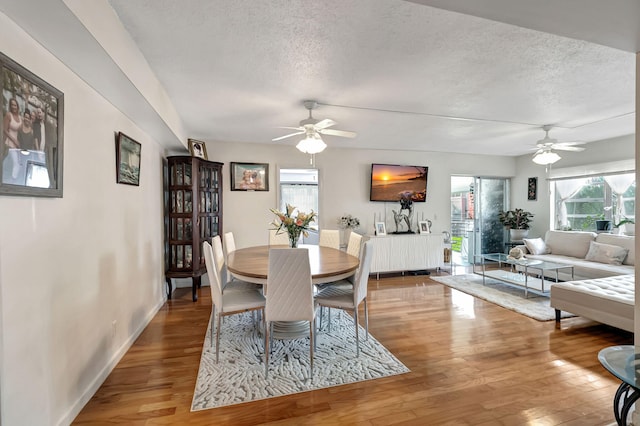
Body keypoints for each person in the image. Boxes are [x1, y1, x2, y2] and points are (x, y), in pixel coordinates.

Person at [3, 98, 23, 180]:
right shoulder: (8, 115)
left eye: (15, 105)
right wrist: (14, 140)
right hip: (9, 142)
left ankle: (13, 179)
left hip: (18, 144)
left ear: (17, 106)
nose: (14, 107)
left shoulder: (20, 117)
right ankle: (12, 180)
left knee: (18, 163)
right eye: (12, 105)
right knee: (15, 163)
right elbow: (4, 130)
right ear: (10, 106)